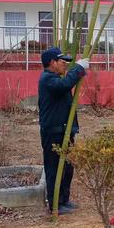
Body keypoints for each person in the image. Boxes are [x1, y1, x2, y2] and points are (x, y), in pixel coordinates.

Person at [38, 47, 90, 215]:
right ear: (52, 63)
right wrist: (79, 69)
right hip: (53, 132)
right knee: (53, 168)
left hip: (64, 131)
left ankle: (64, 200)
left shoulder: (56, 78)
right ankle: (55, 204)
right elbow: (64, 84)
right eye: (63, 62)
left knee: (67, 167)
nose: (65, 65)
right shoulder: (48, 79)